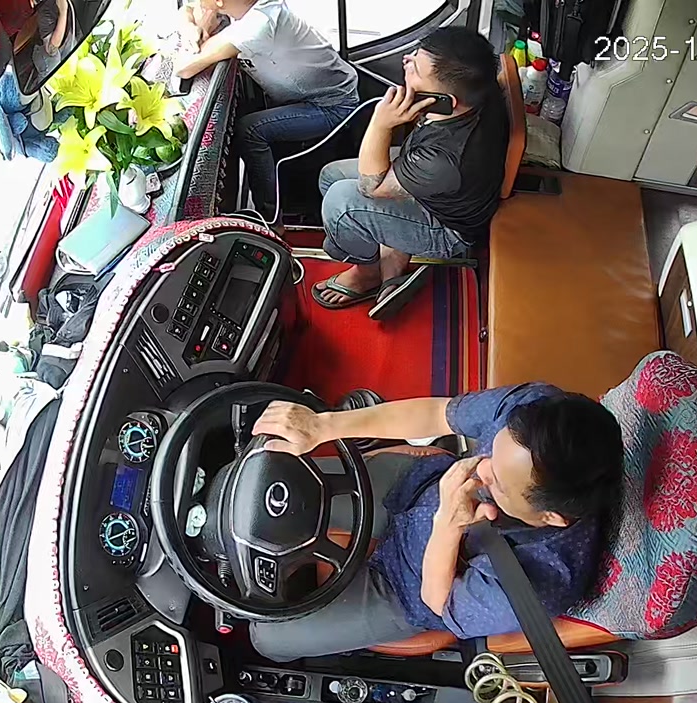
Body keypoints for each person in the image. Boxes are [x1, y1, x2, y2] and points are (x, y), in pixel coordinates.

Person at [247, 383, 624, 662]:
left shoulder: (544, 581)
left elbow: (436, 598)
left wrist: (448, 523)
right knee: (267, 478)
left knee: (267, 638)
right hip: (414, 485)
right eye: (492, 451)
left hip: (405, 586)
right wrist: (324, 426)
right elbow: (438, 413)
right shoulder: (535, 411)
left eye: (499, 483)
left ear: (549, 518)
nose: (480, 469)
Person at [312, 27, 507, 316]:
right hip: (434, 188)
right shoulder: (478, 92)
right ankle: (392, 258)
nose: (406, 61)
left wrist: (381, 122)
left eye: (415, 67)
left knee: (340, 204)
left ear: (442, 99)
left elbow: (371, 187)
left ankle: (368, 273)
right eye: (414, 54)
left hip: (445, 227)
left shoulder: (444, 160)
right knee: (330, 176)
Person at [174, 0, 359, 227]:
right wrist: (190, 28)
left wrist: (199, 30)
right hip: (306, 94)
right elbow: (186, 10)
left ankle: (270, 219)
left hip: (330, 105)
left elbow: (184, 67)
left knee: (249, 130)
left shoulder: (258, 25)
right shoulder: (243, 8)